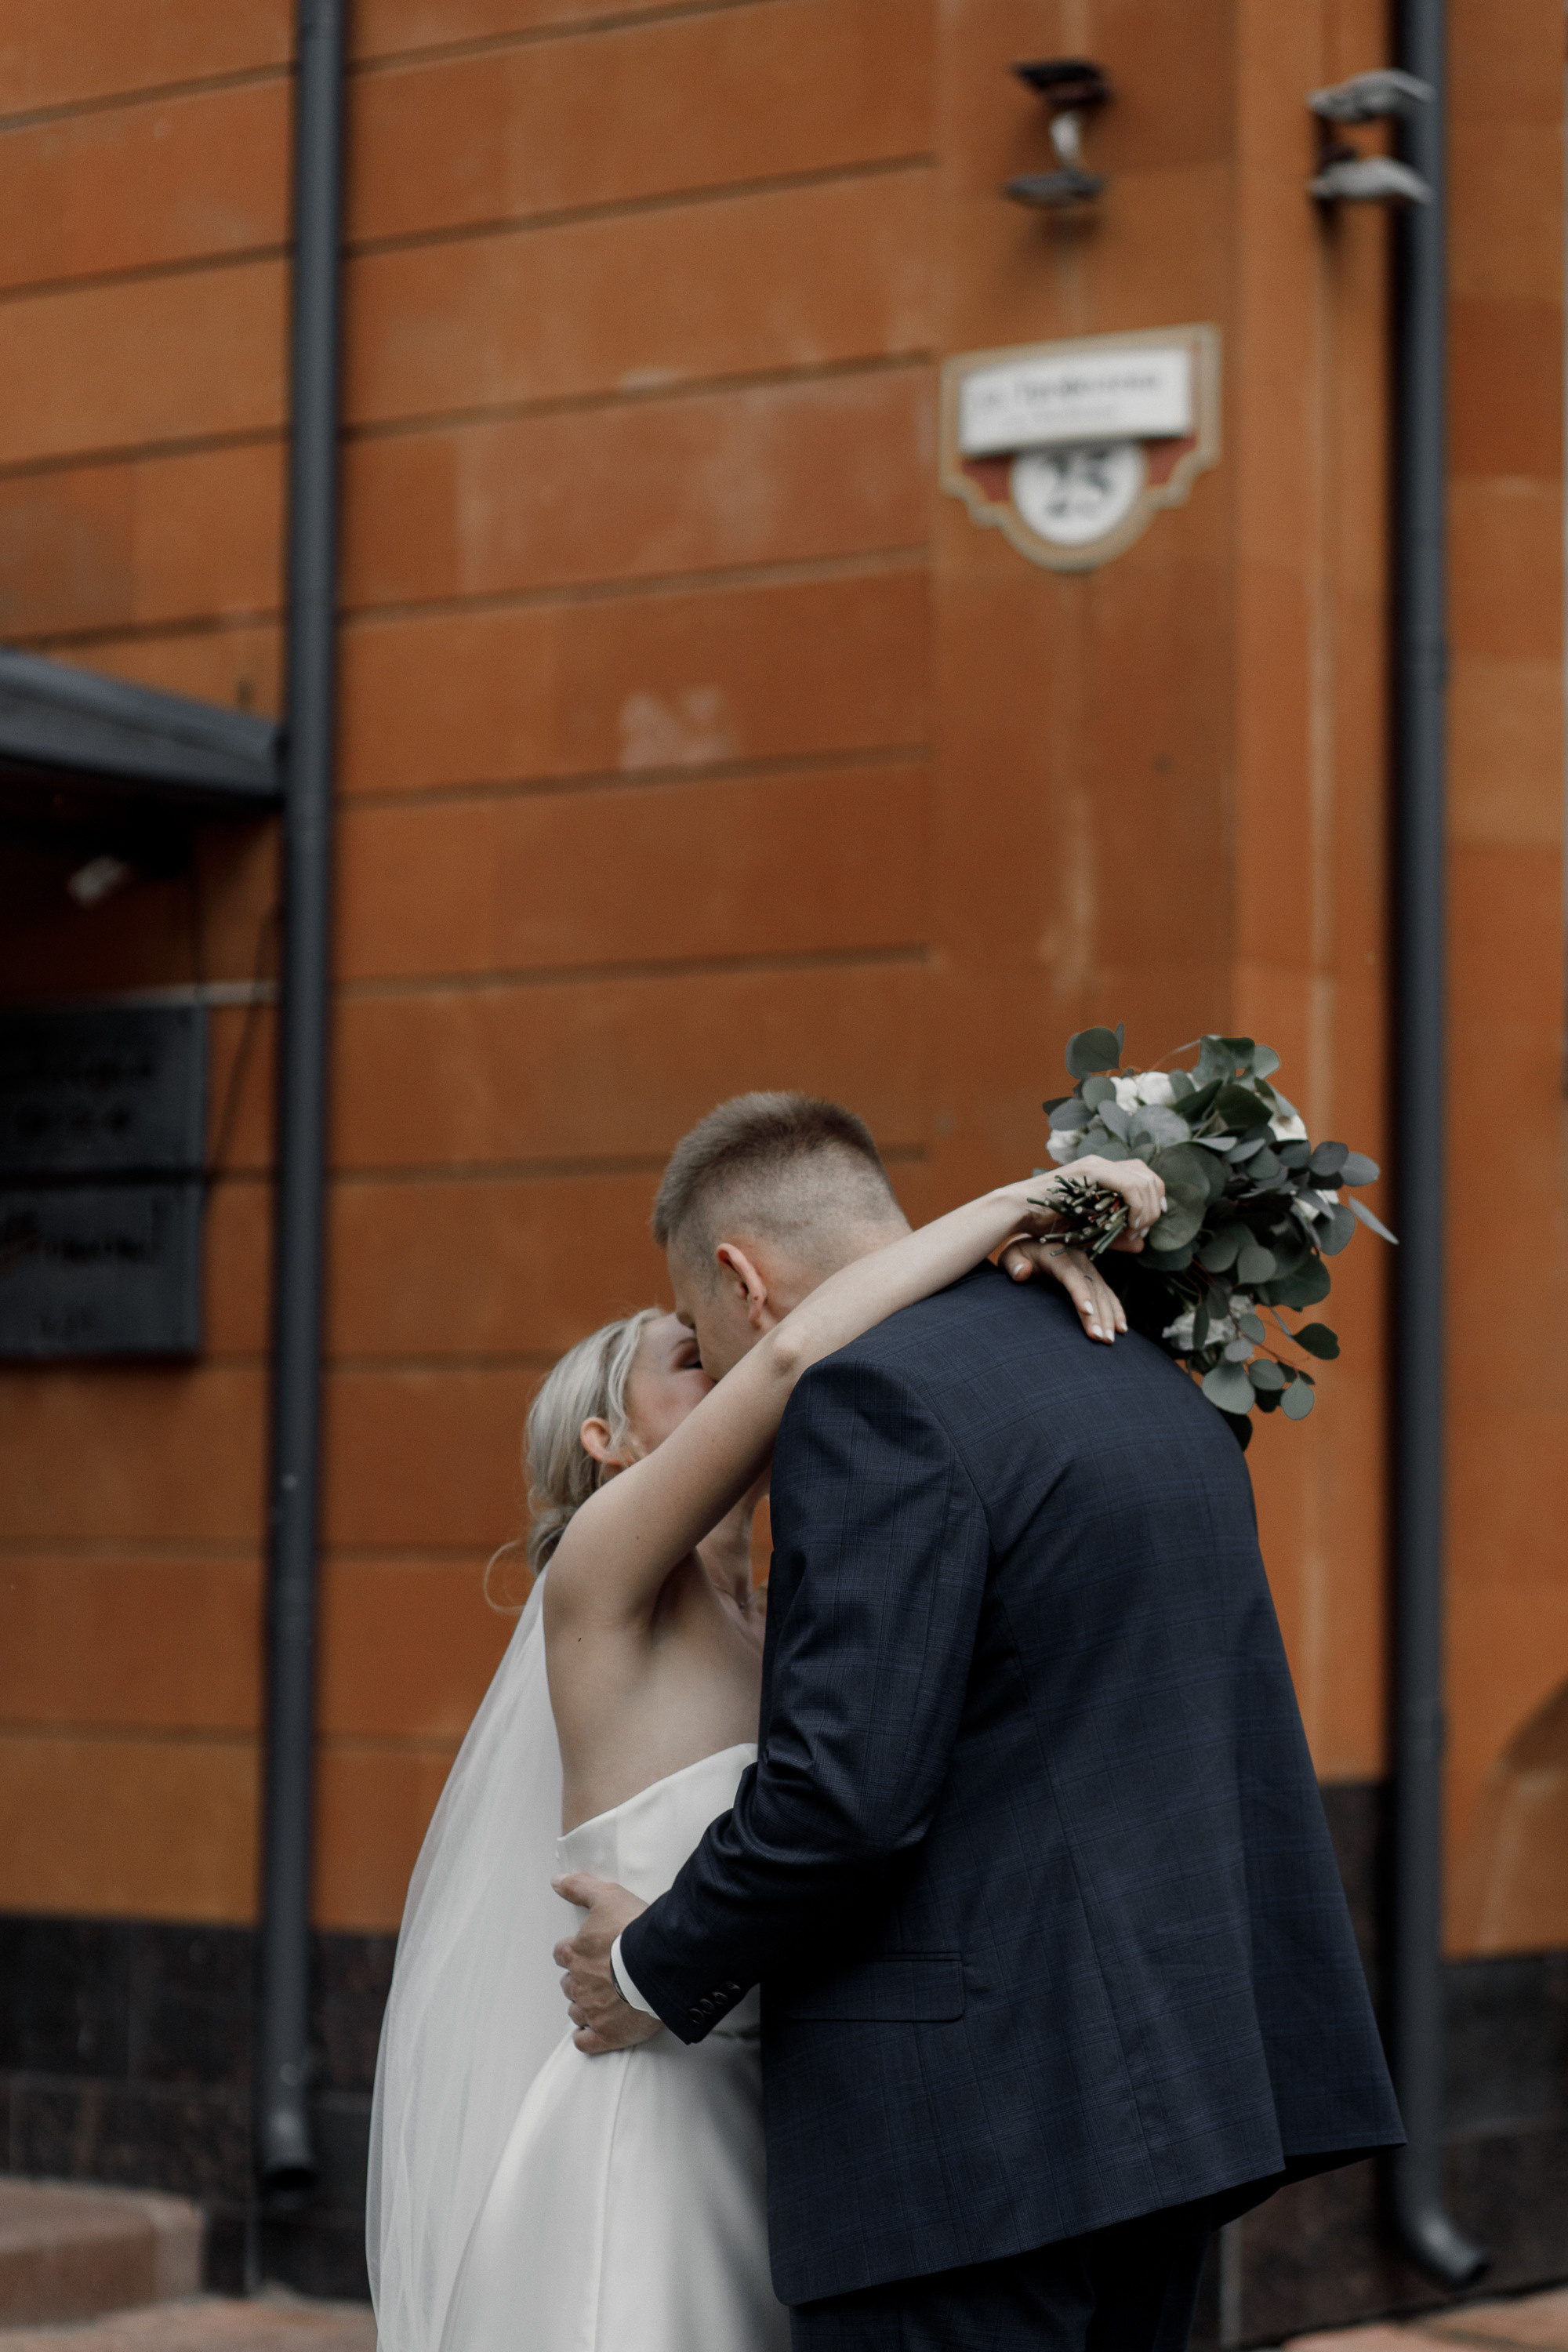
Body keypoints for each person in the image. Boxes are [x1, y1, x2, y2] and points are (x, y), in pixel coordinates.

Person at [557, 1091, 1404, 2352]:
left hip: (970, 2145)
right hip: (1180, 2097)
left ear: (742, 1281)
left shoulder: (871, 1399)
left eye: (697, 1325)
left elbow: (843, 1797)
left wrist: (650, 1967)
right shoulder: (1134, 1368)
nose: (723, 1376)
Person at [366, 1121, 1157, 2352]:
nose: (724, 1361)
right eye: (687, 1359)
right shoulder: (599, 1581)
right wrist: (1020, 1211)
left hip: (790, 2121)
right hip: (650, 2126)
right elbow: (791, 1352)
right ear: (610, 1443)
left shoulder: (789, 1616)